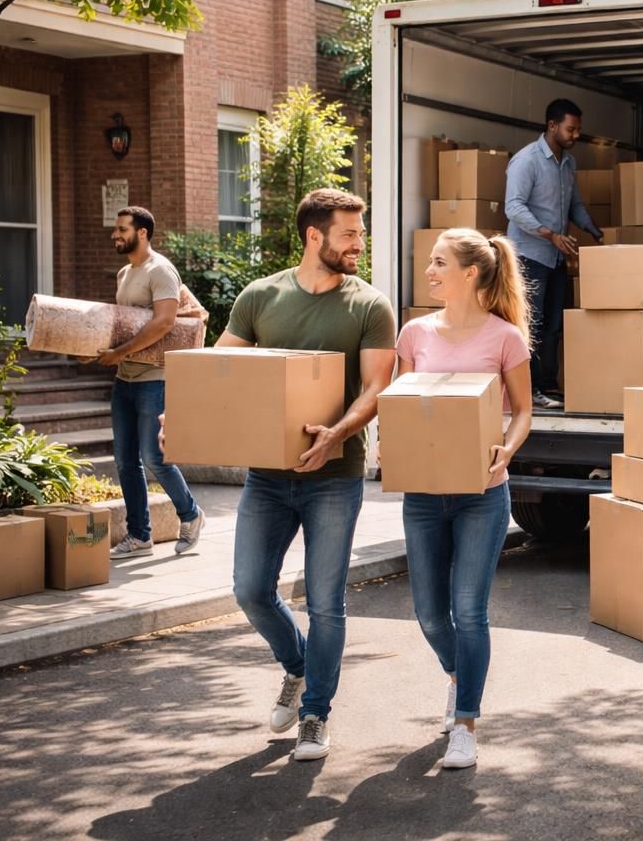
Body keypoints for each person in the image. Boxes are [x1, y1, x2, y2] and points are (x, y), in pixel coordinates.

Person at [215, 188, 397, 761]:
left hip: (335, 475)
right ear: (314, 236)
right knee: (249, 589)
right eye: (349, 234)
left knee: (326, 601)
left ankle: (315, 712)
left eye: (360, 234)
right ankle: (298, 668)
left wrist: (336, 436)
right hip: (267, 476)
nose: (358, 244)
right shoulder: (260, 297)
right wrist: (182, 415)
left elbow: (377, 387)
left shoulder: (370, 306)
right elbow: (220, 370)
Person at [396, 228, 533, 770]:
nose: (428, 272)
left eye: (438, 262)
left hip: (483, 492)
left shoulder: (505, 338)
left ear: (471, 273)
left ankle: (465, 723)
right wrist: (392, 446)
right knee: (430, 615)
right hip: (424, 494)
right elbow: (403, 402)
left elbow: (522, 410)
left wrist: (508, 450)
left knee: (469, 611)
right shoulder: (414, 334)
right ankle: (460, 675)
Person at [101, 206, 206, 559]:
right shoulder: (124, 273)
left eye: (121, 229)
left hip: (154, 378)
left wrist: (120, 352)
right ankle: (139, 535)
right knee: (125, 460)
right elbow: (124, 323)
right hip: (125, 378)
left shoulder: (160, 271)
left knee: (154, 456)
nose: (115, 235)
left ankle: (191, 515)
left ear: (142, 232)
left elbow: (164, 322)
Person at [504, 98, 602, 409]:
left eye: (578, 130)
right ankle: (528, 389)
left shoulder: (568, 164)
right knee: (530, 324)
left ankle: (546, 385)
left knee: (555, 325)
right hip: (528, 256)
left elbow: (574, 205)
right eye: (571, 130)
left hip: (557, 257)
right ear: (552, 126)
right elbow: (513, 207)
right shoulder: (527, 161)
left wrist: (595, 231)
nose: (575, 136)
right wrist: (549, 234)